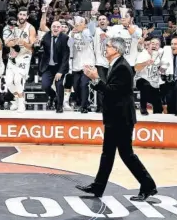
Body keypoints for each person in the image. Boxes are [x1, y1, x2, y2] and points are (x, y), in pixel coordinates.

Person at [78, 37, 157, 202]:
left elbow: (112, 91)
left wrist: (95, 78)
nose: (105, 48)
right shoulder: (116, 65)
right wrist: (94, 79)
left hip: (121, 119)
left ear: (116, 49)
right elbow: (109, 89)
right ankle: (98, 186)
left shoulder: (122, 67)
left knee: (126, 154)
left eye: (108, 46)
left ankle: (148, 184)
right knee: (108, 153)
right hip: (115, 117)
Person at [4, 7, 36, 112]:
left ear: (27, 17)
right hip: (13, 56)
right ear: (18, 15)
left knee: (17, 80)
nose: (22, 17)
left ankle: (21, 103)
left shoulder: (30, 28)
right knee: (8, 82)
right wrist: (14, 43)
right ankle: (17, 99)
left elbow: (32, 47)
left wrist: (23, 42)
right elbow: (6, 43)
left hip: (25, 57)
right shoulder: (11, 26)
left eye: (24, 15)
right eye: (20, 14)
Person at [38, 8, 70, 112]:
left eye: (58, 27)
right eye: (54, 26)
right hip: (47, 66)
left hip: (59, 66)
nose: (55, 28)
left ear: (61, 29)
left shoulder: (65, 38)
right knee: (45, 85)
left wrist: (60, 71)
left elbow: (66, 56)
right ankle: (52, 96)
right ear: (51, 28)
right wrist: (36, 45)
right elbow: (38, 47)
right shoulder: (46, 36)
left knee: (59, 84)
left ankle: (59, 107)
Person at [69, 16, 95, 113]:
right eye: (77, 22)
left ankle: (83, 106)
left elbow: (87, 41)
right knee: (76, 86)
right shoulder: (72, 33)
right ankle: (84, 103)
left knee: (83, 84)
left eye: (81, 22)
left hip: (88, 64)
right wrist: (71, 35)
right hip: (76, 64)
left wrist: (81, 31)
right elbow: (69, 46)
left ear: (85, 24)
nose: (78, 24)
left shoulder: (88, 31)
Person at [134, 37, 164, 115]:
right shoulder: (143, 54)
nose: (154, 45)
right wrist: (146, 63)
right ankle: (143, 108)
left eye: (157, 44)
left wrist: (162, 69)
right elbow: (136, 68)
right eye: (152, 43)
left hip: (154, 82)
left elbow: (163, 71)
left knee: (158, 106)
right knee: (145, 84)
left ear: (159, 47)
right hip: (141, 79)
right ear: (148, 45)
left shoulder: (160, 55)